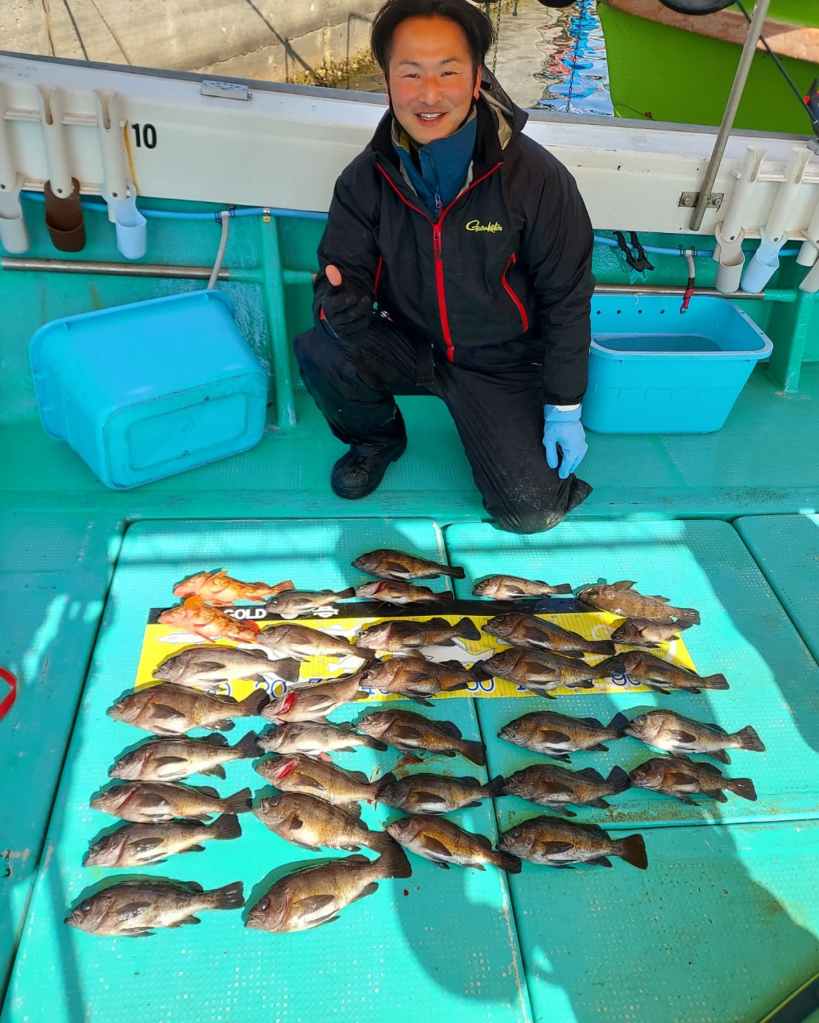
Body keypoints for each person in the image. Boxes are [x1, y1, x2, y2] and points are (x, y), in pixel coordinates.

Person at [294, 0, 595, 534]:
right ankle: (376, 440)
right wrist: (340, 302)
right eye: (410, 74)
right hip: (410, 343)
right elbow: (339, 271)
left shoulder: (538, 179)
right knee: (324, 347)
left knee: (530, 511)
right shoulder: (364, 179)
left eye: (448, 72)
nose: (429, 95)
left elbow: (566, 300)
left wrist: (565, 405)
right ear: (387, 81)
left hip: (501, 362)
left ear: (477, 79)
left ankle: (514, 434)